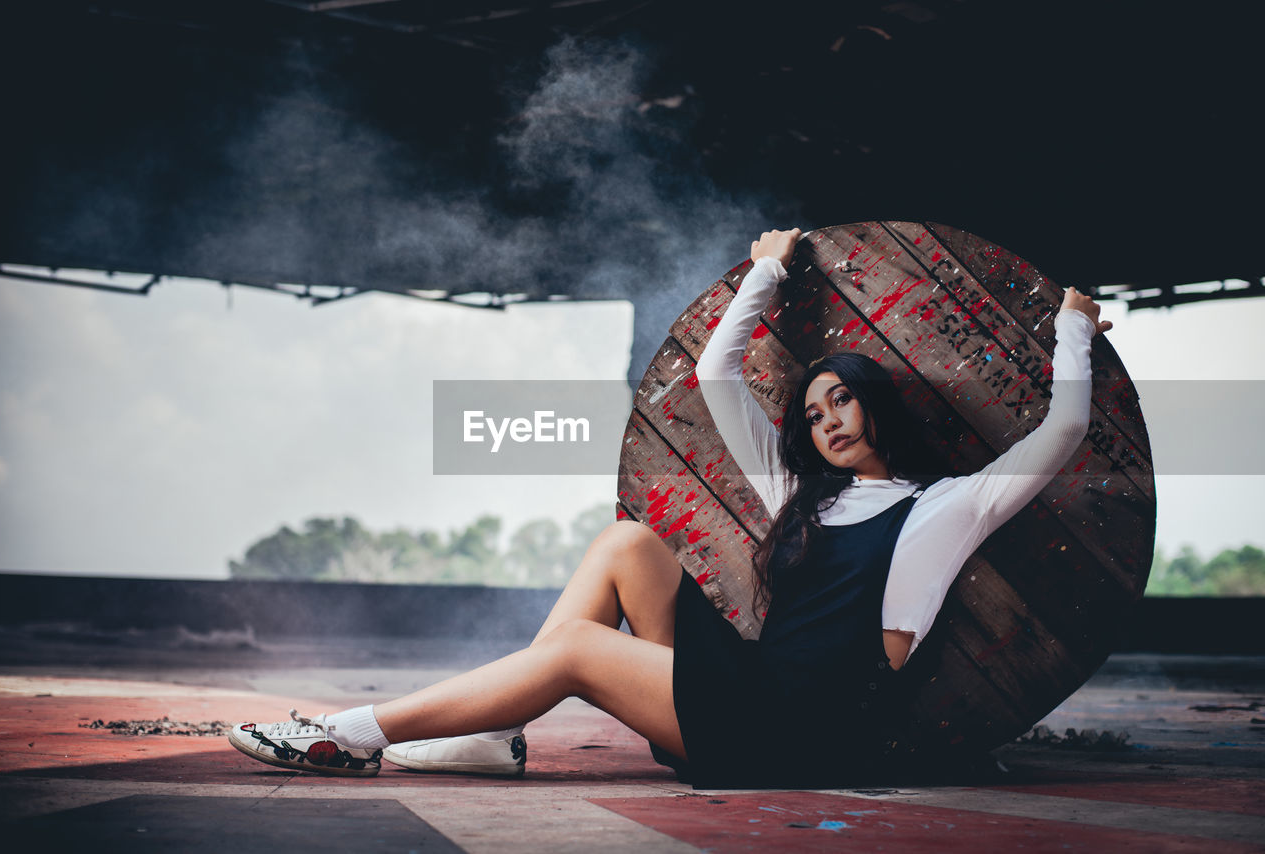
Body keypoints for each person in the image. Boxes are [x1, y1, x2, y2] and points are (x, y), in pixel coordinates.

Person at [229, 227, 1111, 786]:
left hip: (793, 734)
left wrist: (1073, 325)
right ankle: (496, 735)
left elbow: (1063, 429)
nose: (827, 420)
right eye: (812, 413)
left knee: (577, 648)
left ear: (876, 402)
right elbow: (714, 375)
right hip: (752, 692)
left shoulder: (944, 510)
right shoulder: (805, 498)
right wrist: (764, 274)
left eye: (841, 399)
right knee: (627, 546)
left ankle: (344, 736)